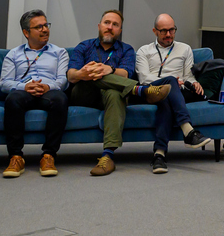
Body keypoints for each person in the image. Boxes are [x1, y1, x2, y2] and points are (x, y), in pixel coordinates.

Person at [67, 10, 168, 176]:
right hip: (83, 94)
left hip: (111, 95)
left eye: (115, 25)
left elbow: (127, 73)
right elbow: (70, 76)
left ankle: (107, 157)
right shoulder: (84, 46)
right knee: (95, 74)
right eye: (107, 23)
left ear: (120, 30)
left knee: (114, 93)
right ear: (99, 26)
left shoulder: (126, 50)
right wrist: (83, 73)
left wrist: (110, 70)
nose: (110, 27)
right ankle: (140, 90)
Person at [134, 14, 212, 174]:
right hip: (151, 90)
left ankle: (159, 155)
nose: (169, 34)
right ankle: (188, 131)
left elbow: (188, 75)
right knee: (168, 83)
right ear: (155, 31)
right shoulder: (144, 51)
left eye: (172, 30)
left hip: (178, 92)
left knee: (166, 99)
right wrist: (168, 81)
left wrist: (194, 82)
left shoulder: (185, 49)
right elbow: (143, 77)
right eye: (164, 31)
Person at [0, 10, 69, 178]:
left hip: (49, 92)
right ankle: (16, 157)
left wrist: (47, 86)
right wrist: (25, 87)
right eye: (39, 27)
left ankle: (49, 155)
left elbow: (62, 80)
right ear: (26, 32)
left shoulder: (60, 53)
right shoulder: (13, 54)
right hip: (24, 91)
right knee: (12, 100)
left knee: (61, 99)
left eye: (46, 25)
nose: (45, 30)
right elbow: (4, 83)